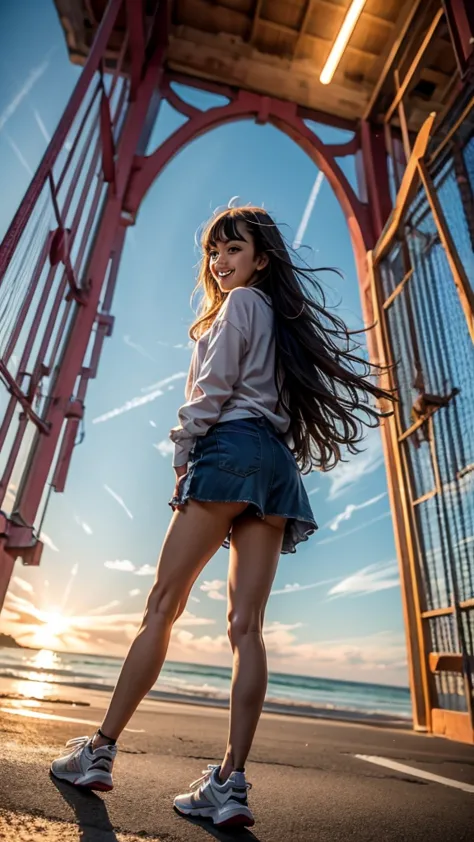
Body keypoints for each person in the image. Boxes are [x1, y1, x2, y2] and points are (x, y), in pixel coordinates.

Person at [50, 206, 392, 829]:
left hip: (229, 451)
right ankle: (230, 784)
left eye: (233, 250)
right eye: (215, 252)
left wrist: (184, 455)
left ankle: (97, 753)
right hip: (273, 465)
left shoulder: (238, 308)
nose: (220, 262)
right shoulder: (280, 320)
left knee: (162, 607)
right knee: (246, 627)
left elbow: (210, 391)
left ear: (261, 259)